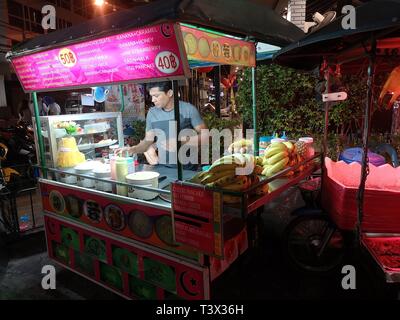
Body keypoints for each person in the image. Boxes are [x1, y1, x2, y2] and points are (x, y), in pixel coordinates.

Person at [116, 81, 207, 169]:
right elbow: (147, 141)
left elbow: (206, 136)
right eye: (151, 96)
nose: (152, 100)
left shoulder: (188, 109)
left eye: (156, 96)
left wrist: (180, 142)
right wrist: (132, 150)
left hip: (187, 168)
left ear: (170, 93)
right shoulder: (152, 113)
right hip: (161, 167)